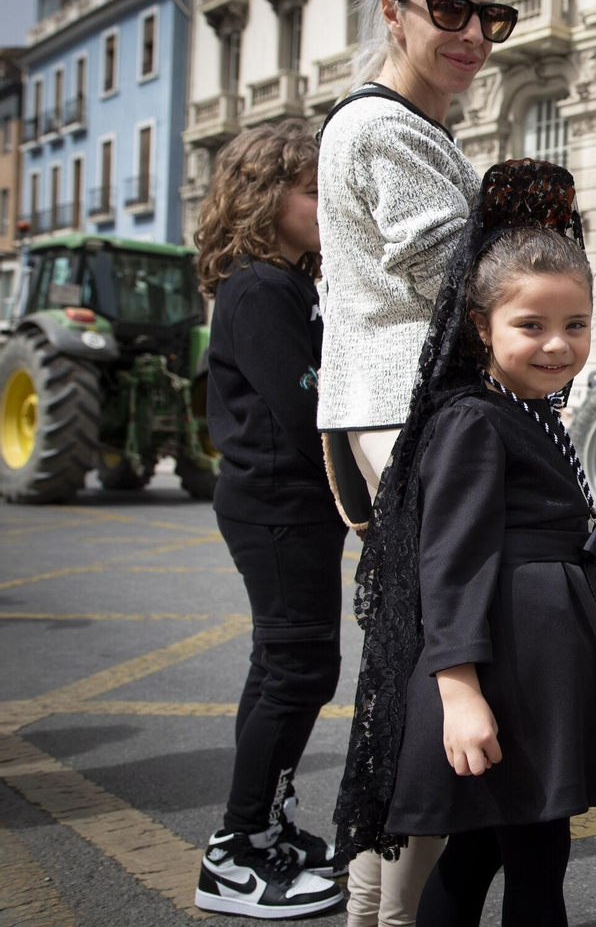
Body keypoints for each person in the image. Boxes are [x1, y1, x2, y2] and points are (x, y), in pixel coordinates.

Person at [332, 160, 596, 927]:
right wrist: (461, 691)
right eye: (531, 325)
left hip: (538, 656)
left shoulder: (527, 409)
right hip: (505, 665)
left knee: (485, 849)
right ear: (482, 326)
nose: (558, 345)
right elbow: (450, 561)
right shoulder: (475, 420)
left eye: (576, 325)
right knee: (536, 862)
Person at [315, 0, 514, 926]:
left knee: (406, 667)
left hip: (409, 411)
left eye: (489, 16)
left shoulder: (419, 130)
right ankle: (395, 915)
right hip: (413, 414)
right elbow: (457, 275)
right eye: (449, 8)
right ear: (390, 10)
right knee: (448, 666)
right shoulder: (383, 129)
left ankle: (370, 908)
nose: (473, 31)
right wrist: (540, 249)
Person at [191, 121, 347, 918]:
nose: (330, 205)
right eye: (314, 191)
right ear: (263, 199)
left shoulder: (284, 282)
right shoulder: (259, 287)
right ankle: (236, 850)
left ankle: (260, 826)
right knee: (298, 669)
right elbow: (305, 404)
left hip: (285, 507)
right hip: (278, 507)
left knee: (284, 665)